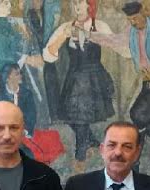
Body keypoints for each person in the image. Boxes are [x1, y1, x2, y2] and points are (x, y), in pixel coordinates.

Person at [88, 2, 150, 171]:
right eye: (130, 20)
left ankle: (135, 162)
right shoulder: (131, 31)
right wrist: (89, 35)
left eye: (135, 18)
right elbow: (114, 40)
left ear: (143, 13)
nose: (133, 23)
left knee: (138, 114)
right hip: (148, 80)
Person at [43, 0, 115, 165]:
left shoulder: (100, 25)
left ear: (90, 6)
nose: (77, 7)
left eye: (81, 3)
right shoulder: (66, 27)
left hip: (94, 77)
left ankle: (80, 158)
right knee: (70, 116)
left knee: (81, 117)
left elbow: (117, 45)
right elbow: (48, 55)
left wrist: (96, 37)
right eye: (74, 3)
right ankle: (92, 141)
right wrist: (63, 36)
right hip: (74, 78)